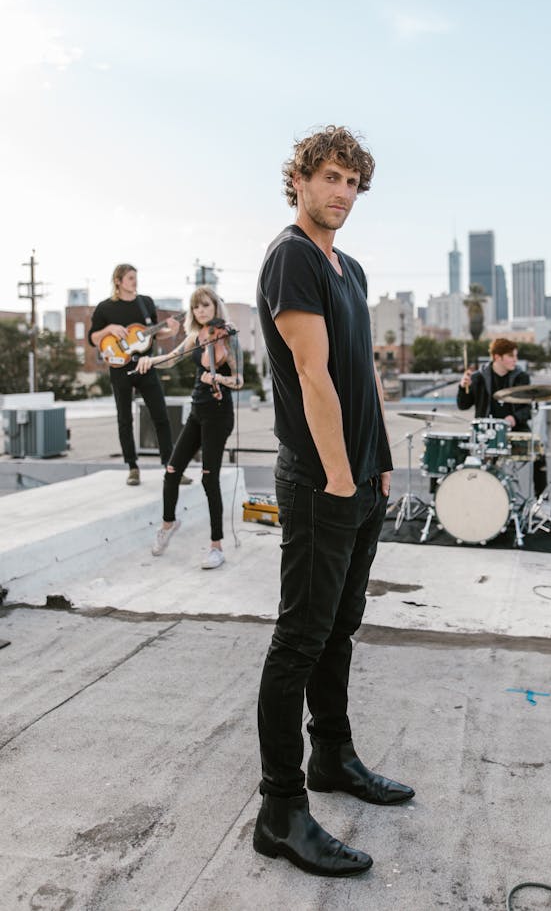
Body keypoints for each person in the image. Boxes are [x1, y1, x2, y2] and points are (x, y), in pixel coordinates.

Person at [254, 125, 412, 878]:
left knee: (339, 627)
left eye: (354, 181)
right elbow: (314, 376)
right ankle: (281, 809)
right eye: (331, 177)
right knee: (299, 639)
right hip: (321, 482)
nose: (343, 192)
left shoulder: (348, 267)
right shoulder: (290, 257)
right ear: (301, 180)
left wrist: (379, 463)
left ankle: (333, 757)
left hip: (360, 477)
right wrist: (342, 476)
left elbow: (363, 373)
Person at [135, 286, 243, 570]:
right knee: (171, 471)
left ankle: (217, 547)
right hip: (197, 411)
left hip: (218, 415)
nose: (201, 311)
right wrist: (148, 361)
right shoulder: (197, 337)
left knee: (210, 478)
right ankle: (168, 524)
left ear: (215, 306)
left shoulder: (228, 338)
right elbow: (171, 358)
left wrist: (217, 378)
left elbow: (240, 381)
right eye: (196, 307)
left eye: (206, 305)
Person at [89, 264, 185, 486]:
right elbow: (94, 338)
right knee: (125, 419)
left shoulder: (146, 303)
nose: (135, 281)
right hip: (119, 369)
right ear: (118, 281)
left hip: (145, 365)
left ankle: (170, 467)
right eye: (130, 278)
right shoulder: (105, 308)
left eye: (135, 277)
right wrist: (109, 329)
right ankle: (132, 467)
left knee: (161, 415)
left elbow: (152, 334)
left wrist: (171, 330)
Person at [457, 336, 547, 494]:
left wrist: (514, 418)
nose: (515, 360)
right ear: (497, 357)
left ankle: (541, 502)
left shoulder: (521, 377)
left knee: (538, 452)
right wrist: (462, 387)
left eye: (516, 356)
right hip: (486, 433)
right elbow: (463, 405)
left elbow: (528, 408)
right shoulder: (478, 377)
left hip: (516, 431)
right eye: (511, 356)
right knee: (457, 452)